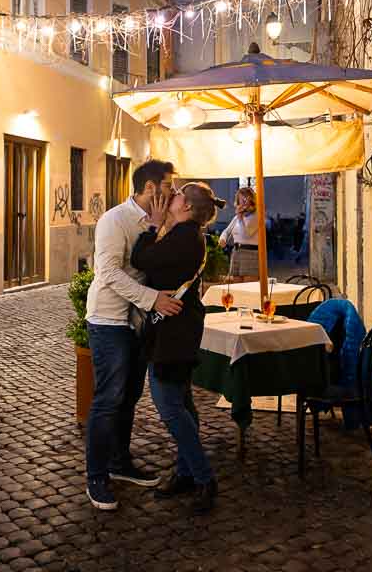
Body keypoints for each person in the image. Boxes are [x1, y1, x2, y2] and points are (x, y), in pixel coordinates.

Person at [84, 159, 185, 511]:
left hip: (137, 322)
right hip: (109, 320)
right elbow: (108, 272)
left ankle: (119, 462)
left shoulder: (155, 222)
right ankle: (96, 475)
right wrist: (153, 300)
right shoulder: (114, 220)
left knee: (129, 395)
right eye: (169, 186)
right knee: (108, 397)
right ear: (150, 190)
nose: (173, 191)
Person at [132, 182, 225, 515]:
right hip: (179, 328)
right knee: (183, 402)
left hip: (174, 333)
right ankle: (187, 473)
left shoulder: (184, 236)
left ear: (186, 208)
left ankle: (203, 476)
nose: (171, 198)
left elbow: (141, 259)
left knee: (169, 405)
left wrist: (155, 227)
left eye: (177, 195)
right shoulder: (188, 234)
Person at [219, 187, 260, 279]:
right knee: (235, 285)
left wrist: (240, 218)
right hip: (236, 252)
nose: (243, 203)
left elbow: (246, 235)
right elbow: (227, 231)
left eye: (245, 199)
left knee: (247, 287)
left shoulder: (256, 216)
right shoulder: (236, 218)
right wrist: (223, 238)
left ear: (251, 200)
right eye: (240, 200)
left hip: (250, 254)